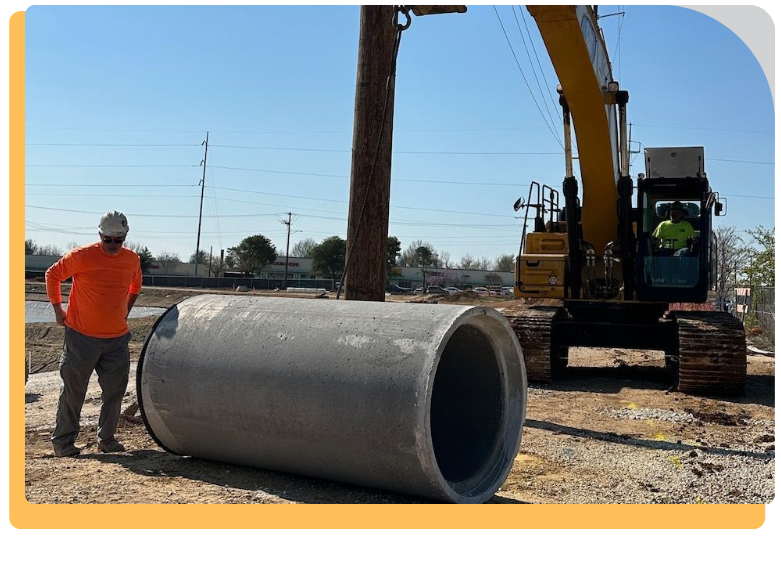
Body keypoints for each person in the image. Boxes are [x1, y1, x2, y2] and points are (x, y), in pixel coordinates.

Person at [45, 211, 143, 457]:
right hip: (81, 337)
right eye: (108, 239)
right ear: (100, 235)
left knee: (115, 391)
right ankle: (64, 443)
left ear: (125, 238)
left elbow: (136, 285)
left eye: (118, 240)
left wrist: (125, 311)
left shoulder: (131, 259)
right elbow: (52, 275)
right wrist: (59, 310)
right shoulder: (82, 256)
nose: (112, 245)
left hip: (117, 339)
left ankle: (107, 439)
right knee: (73, 390)